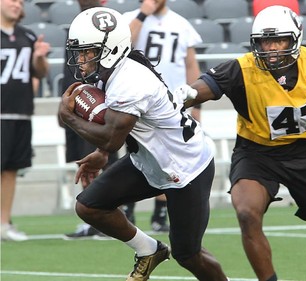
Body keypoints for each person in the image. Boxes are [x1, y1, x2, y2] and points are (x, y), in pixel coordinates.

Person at [179, 5, 306, 281]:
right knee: (247, 212)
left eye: (278, 40)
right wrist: (182, 95)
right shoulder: (242, 68)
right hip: (257, 153)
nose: (271, 48)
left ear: (295, 38)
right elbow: (202, 88)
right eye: (264, 41)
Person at [58, 7, 228, 281]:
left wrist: (69, 118)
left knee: (188, 254)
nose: (81, 58)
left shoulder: (129, 81)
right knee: (89, 206)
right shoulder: (112, 70)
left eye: (87, 51)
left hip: (185, 168)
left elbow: (112, 138)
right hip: (150, 160)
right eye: (79, 51)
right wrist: (101, 153)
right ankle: (149, 250)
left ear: (110, 48)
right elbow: (116, 132)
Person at [121, 0, 203, 232]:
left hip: (172, 103)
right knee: (135, 154)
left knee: (169, 158)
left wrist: (197, 105)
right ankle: (127, 208)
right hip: (137, 99)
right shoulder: (130, 17)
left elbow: (190, 64)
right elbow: (124, 43)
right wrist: (143, 14)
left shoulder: (181, 24)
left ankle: (160, 214)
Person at [59, 0, 119, 240]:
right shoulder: (75, 25)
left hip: (98, 104)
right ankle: (95, 219)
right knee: (83, 162)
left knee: (105, 162)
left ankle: (109, 216)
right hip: (76, 100)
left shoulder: (109, 28)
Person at [1, 0, 50, 241]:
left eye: (20, 1)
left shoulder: (28, 36)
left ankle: (3, 224)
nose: (17, 4)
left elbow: (40, 73)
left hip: (21, 112)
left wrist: (40, 57)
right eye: (12, 0)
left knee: (11, 169)